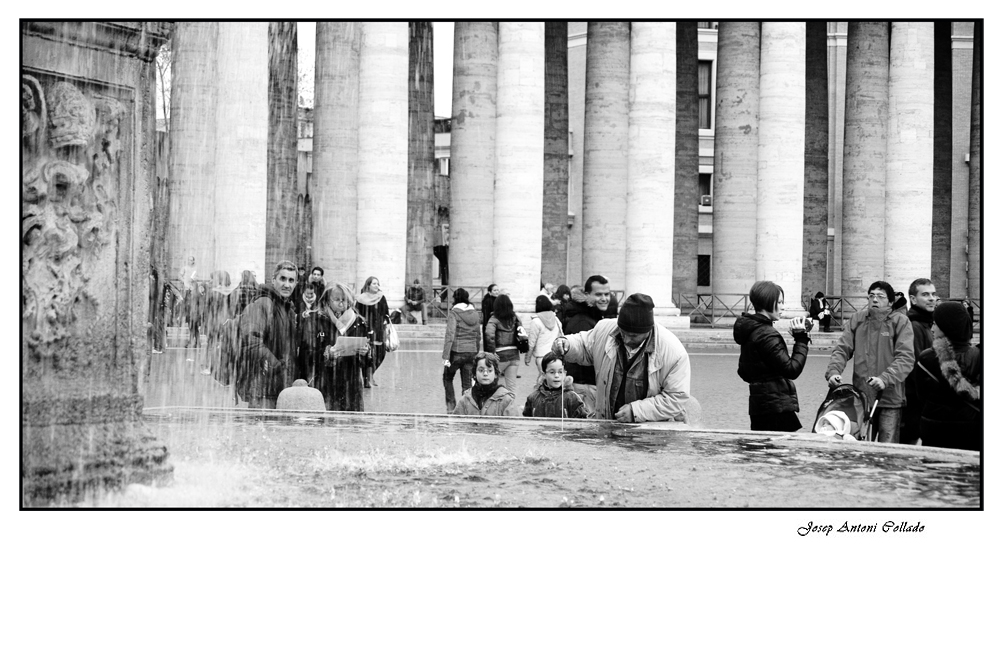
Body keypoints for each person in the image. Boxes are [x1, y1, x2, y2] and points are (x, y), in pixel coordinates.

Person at [551, 293, 691, 423]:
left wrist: (636, 411)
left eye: (633, 336)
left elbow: (676, 398)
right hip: (608, 423)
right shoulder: (605, 329)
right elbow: (584, 345)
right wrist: (567, 344)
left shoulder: (674, 353)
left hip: (650, 431)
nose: (626, 338)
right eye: (623, 332)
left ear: (648, 331)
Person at [825, 280, 915, 443]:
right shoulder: (857, 319)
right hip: (862, 396)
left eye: (880, 296)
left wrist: (885, 379)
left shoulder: (900, 322)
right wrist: (834, 372)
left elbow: (906, 357)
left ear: (890, 301)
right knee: (860, 445)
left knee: (887, 448)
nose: (874, 300)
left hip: (890, 397)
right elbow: (842, 349)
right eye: (871, 296)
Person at [733, 281, 811, 432]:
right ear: (768, 302)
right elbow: (792, 370)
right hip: (776, 407)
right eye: (780, 302)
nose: (783, 307)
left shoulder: (752, 329)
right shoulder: (766, 334)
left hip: (759, 405)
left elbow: (743, 372)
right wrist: (801, 339)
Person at [915, 300, 981, 449]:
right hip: (972, 434)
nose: (932, 328)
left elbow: (922, 397)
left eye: (936, 324)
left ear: (947, 327)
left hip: (935, 433)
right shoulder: (979, 356)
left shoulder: (927, 359)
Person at [235, 261, 300, 409]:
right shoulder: (264, 303)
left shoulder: (288, 309)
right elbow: (251, 341)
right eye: (282, 279)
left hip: (281, 387)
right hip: (262, 388)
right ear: (273, 280)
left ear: (296, 283)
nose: (287, 285)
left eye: (291, 280)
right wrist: (276, 366)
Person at [559, 275, 619, 412]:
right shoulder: (583, 322)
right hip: (584, 387)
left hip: (588, 385)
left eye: (607, 294)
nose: (604, 299)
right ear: (586, 295)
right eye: (598, 294)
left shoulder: (593, 317)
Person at [321, 281, 373, 412]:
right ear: (327, 301)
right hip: (326, 381)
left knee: (352, 424)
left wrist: (366, 352)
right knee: (328, 423)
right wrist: (328, 353)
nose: (341, 303)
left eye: (344, 300)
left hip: (352, 383)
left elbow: (369, 360)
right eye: (336, 299)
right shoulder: (319, 320)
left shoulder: (358, 321)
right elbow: (309, 352)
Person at [900, 278, 938, 444]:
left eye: (933, 294)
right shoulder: (915, 325)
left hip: (919, 398)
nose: (931, 298)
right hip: (914, 399)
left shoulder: (926, 322)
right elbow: (916, 366)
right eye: (925, 294)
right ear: (913, 299)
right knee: (909, 443)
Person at [297, 280, 336, 409]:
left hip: (324, 363)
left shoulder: (327, 317)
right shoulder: (310, 314)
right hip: (310, 354)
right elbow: (306, 340)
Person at [442, 287, 482, 413]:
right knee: (467, 383)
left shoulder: (454, 313)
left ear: (455, 298)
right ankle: (467, 407)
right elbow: (478, 334)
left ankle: (451, 406)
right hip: (471, 351)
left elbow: (450, 334)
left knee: (447, 378)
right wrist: (475, 351)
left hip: (457, 352)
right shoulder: (475, 313)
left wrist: (446, 356)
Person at [522, 352, 592, 419]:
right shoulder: (533, 398)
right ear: (544, 374)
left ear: (565, 374)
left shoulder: (572, 398)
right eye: (552, 372)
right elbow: (527, 421)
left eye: (560, 372)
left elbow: (581, 422)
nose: (556, 375)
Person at [453, 352, 518, 416]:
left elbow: (512, 425)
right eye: (481, 370)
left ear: (495, 374)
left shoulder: (506, 400)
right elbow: (456, 424)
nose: (485, 374)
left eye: (490, 370)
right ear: (474, 374)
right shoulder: (466, 399)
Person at [356, 276, 389, 388]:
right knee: (367, 354)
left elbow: (386, 312)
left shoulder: (381, 297)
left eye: (377, 283)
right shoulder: (361, 298)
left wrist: (386, 325)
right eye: (374, 283)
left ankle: (370, 373)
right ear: (368, 285)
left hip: (379, 328)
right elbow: (356, 313)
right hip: (365, 328)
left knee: (381, 353)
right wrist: (362, 321)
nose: (377, 286)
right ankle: (366, 378)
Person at [484, 294, 523, 391]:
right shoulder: (515, 318)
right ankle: (510, 406)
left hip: (499, 355)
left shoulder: (494, 319)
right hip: (514, 355)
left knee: (490, 383)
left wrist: (492, 352)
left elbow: (489, 335)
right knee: (511, 386)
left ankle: (493, 404)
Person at [525, 295, 564, 382]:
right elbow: (560, 338)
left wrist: (528, 357)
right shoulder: (556, 320)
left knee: (543, 380)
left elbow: (532, 342)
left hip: (541, 356)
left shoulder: (536, 321)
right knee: (554, 381)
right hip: (555, 356)